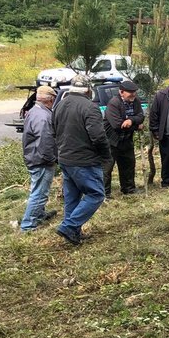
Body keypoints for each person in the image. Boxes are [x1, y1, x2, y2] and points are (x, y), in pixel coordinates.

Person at [53, 75, 110, 246]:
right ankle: (69, 226)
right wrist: (106, 155)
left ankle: (74, 233)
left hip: (65, 158)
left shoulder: (60, 105)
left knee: (72, 198)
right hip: (84, 160)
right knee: (96, 194)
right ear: (88, 89)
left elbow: (53, 130)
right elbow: (98, 137)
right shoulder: (90, 107)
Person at [19, 86, 59, 231]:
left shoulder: (34, 111)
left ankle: (39, 214)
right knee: (40, 193)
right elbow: (45, 141)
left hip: (34, 156)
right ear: (51, 99)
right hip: (40, 159)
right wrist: (52, 159)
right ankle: (28, 225)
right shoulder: (43, 117)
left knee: (39, 189)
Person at [103, 79, 145, 196]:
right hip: (111, 141)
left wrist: (131, 120)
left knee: (128, 165)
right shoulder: (113, 103)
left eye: (134, 91)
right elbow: (117, 125)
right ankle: (104, 194)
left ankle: (128, 189)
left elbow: (141, 116)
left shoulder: (135, 101)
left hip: (126, 140)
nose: (133, 94)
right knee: (107, 168)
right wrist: (136, 126)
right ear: (121, 92)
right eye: (130, 92)